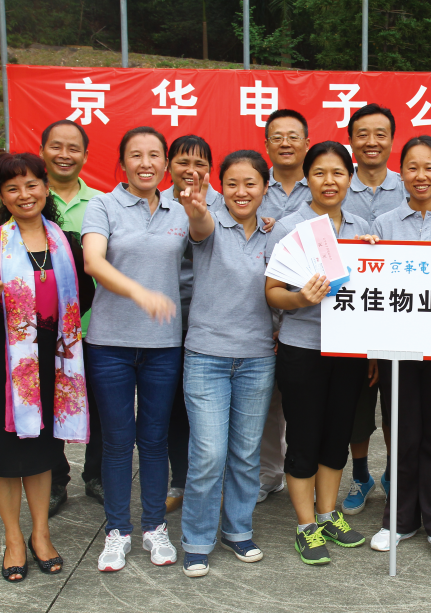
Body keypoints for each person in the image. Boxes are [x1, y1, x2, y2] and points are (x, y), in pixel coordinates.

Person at [0, 152, 95, 582]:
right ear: (2, 196)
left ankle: (41, 534)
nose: (24, 194)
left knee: (40, 452)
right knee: (3, 455)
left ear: (46, 188)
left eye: (31, 184)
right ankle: (14, 539)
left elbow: (85, 294)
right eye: (12, 188)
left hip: (52, 362)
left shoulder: (68, 243)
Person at [354, 136, 431, 561]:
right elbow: (369, 285)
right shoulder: (385, 223)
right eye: (412, 167)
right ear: (401, 173)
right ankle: (399, 520)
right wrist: (365, 254)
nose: (420, 175)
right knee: (403, 433)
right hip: (397, 348)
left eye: (430, 167)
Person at [82, 126, 187, 572]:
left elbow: (213, 232)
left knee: (155, 439)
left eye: (154, 155)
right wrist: (140, 293)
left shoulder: (181, 210)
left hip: (164, 344)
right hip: (110, 344)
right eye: (136, 155)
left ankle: (154, 528)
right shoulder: (103, 205)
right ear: (122, 162)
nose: (146, 163)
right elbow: (93, 261)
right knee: (118, 441)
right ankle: (117, 532)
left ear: (166, 163)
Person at [265, 141, 374, 565]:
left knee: (336, 435)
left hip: (349, 350)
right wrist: (301, 299)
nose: (330, 182)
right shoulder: (289, 227)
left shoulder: (362, 227)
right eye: (319, 173)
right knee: (305, 437)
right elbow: (272, 292)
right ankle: (305, 525)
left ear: (351, 178)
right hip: (303, 349)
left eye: (338, 173)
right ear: (306, 178)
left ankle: (328, 515)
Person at [177, 150, 276, 577]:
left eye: (250, 183)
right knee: (208, 454)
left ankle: (238, 529)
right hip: (206, 356)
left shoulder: (275, 233)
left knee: (246, 453)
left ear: (265, 188)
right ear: (221, 187)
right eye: (232, 183)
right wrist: (196, 209)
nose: (241, 191)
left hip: (258, 358)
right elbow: (199, 225)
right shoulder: (211, 223)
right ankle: (197, 539)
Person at [340, 104, 406, 515]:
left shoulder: (408, 182)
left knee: (398, 407)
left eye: (380, 134)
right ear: (350, 141)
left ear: (392, 140)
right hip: (352, 316)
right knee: (358, 410)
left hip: (401, 315)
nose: (371, 142)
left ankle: (394, 475)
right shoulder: (339, 183)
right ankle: (362, 475)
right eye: (362, 134)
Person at [39, 119, 106, 514]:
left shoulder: (101, 203)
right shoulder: (31, 198)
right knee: (48, 405)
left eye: (73, 148)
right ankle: (54, 478)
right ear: (42, 150)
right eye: (56, 146)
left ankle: (96, 475)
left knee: (101, 407)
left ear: (85, 155)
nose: (64, 155)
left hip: (95, 326)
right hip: (44, 329)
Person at [158, 134, 225, 514]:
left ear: (210, 169)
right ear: (169, 165)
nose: (192, 170)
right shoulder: (156, 202)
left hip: (212, 321)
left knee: (210, 410)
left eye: (200, 163)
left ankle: (216, 481)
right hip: (166, 320)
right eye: (183, 161)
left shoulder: (224, 204)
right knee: (174, 408)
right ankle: (180, 480)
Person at [257, 108, 312, 504]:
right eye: (277, 137)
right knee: (266, 401)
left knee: (301, 402)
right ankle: (268, 475)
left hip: (306, 313)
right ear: (266, 145)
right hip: (259, 305)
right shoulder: (255, 186)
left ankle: (302, 472)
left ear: (307, 143)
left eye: (294, 136)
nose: (286, 143)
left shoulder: (321, 183)